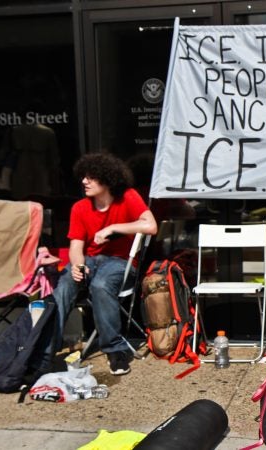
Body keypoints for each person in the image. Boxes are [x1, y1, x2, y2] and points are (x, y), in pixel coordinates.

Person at [53, 152, 157, 375]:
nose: (84, 181)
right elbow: (75, 248)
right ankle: (45, 349)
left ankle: (115, 350)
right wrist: (78, 266)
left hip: (120, 262)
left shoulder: (128, 197)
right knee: (64, 286)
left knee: (101, 285)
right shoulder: (80, 207)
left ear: (107, 178)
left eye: (90, 177)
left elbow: (151, 226)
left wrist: (114, 228)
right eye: (83, 177)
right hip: (89, 260)